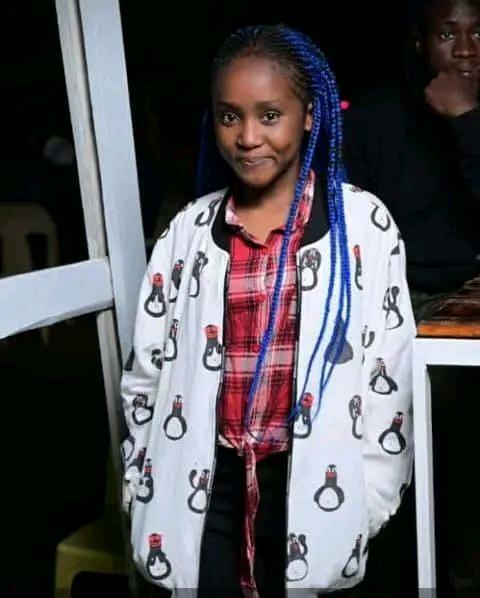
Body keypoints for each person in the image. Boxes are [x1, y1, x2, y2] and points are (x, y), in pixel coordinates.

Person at [120, 24, 415, 597]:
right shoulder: (187, 232)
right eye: (230, 116)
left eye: (270, 115)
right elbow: (145, 375)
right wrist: (141, 484)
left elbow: (390, 381)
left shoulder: (364, 228)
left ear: (309, 116)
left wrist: (368, 503)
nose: (249, 137)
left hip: (310, 482)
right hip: (208, 488)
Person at [343, 0, 480, 594]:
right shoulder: (374, 119)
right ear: (422, 42)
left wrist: (468, 121)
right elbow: (350, 242)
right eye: (449, 33)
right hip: (397, 306)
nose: (466, 49)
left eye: (479, 33)